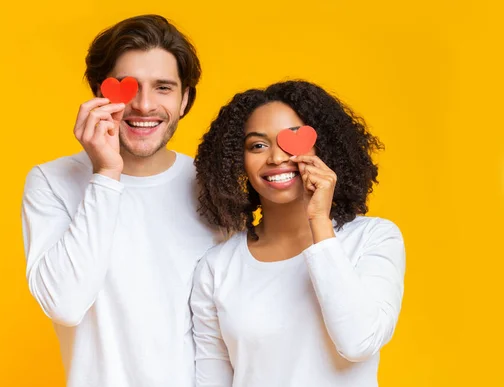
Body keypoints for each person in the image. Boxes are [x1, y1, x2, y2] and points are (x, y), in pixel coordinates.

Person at [21, 14, 221, 387]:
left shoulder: (213, 186)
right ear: (100, 93)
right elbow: (65, 304)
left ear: (185, 99)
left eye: (163, 87)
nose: (144, 105)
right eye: (127, 86)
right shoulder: (51, 183)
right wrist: (106, 173)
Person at [191, 80, 406, 387]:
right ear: (238, 162)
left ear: (325, 147)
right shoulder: (217, 267)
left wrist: (319, 220)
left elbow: (358, 342)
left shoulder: (374, 238)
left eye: (291, 140)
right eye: (258, 146)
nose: (277, 158)